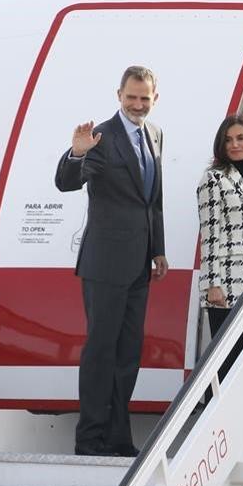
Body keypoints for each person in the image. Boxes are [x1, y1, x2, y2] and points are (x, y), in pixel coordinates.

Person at [55, 65, 167, 457]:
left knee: (128, 353)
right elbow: (67, 182)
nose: (138, 104)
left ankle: (119, 438)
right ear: (119, 95)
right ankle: (90, 439)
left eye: (145, 98)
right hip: (104, 262)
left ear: (155, 98)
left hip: (139, 263)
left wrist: (158, 249)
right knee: (101, 350)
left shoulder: (154, 134)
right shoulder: (100, 136)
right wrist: (77, 153)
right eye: (131, 97)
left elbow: (152, 199)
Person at [197, 114, 243, 382]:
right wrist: (212, 283)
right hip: (225, 282)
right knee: (224, 356)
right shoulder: (213, 179)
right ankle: (209, 416)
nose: (235, 144)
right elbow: (210, 233)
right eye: (228, 140)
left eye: (241, 137)